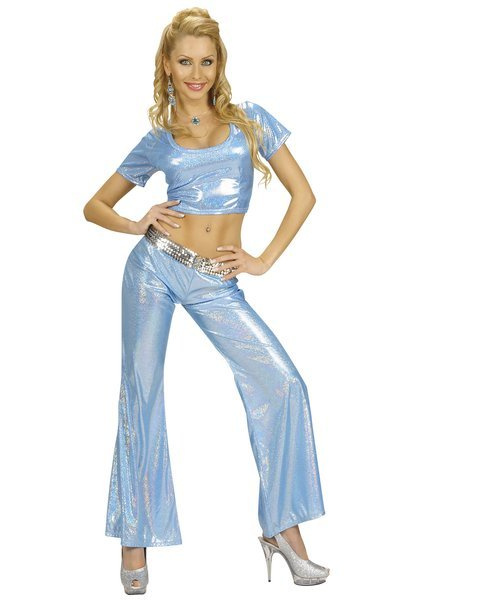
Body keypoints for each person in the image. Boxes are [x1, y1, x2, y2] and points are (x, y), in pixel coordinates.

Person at [83, 8, 330, 594]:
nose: (197, 73)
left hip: (215, 279)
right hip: (155, 268)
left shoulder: (252, 122)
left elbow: (303, 194)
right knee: (141, 393)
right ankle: (135, 537)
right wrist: (136, 223)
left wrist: (262, 259)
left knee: (283, 384)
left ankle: (282, 529)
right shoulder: (159, 139)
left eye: (207, 61)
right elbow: (94, 206)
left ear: (220, 66)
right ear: (167, 67)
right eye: (185, 61)